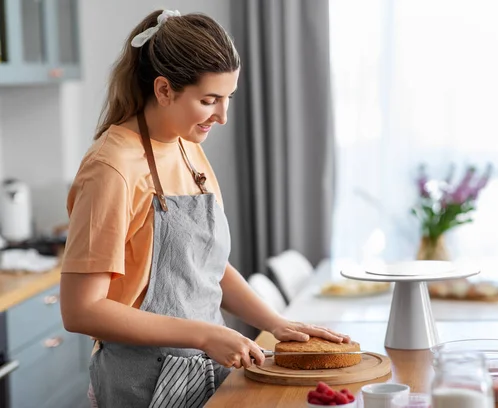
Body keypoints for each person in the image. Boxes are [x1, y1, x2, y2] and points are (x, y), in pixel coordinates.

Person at [59, 9, 350, 408]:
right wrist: (202, 334)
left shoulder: (188, 147)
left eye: (227, 98)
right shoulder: (112, 168)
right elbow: (81, 310)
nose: (223, 116)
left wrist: (275, 323)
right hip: (141, 386)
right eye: (209, 100)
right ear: (164, 90)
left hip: (203, 374)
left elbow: (205, 264)